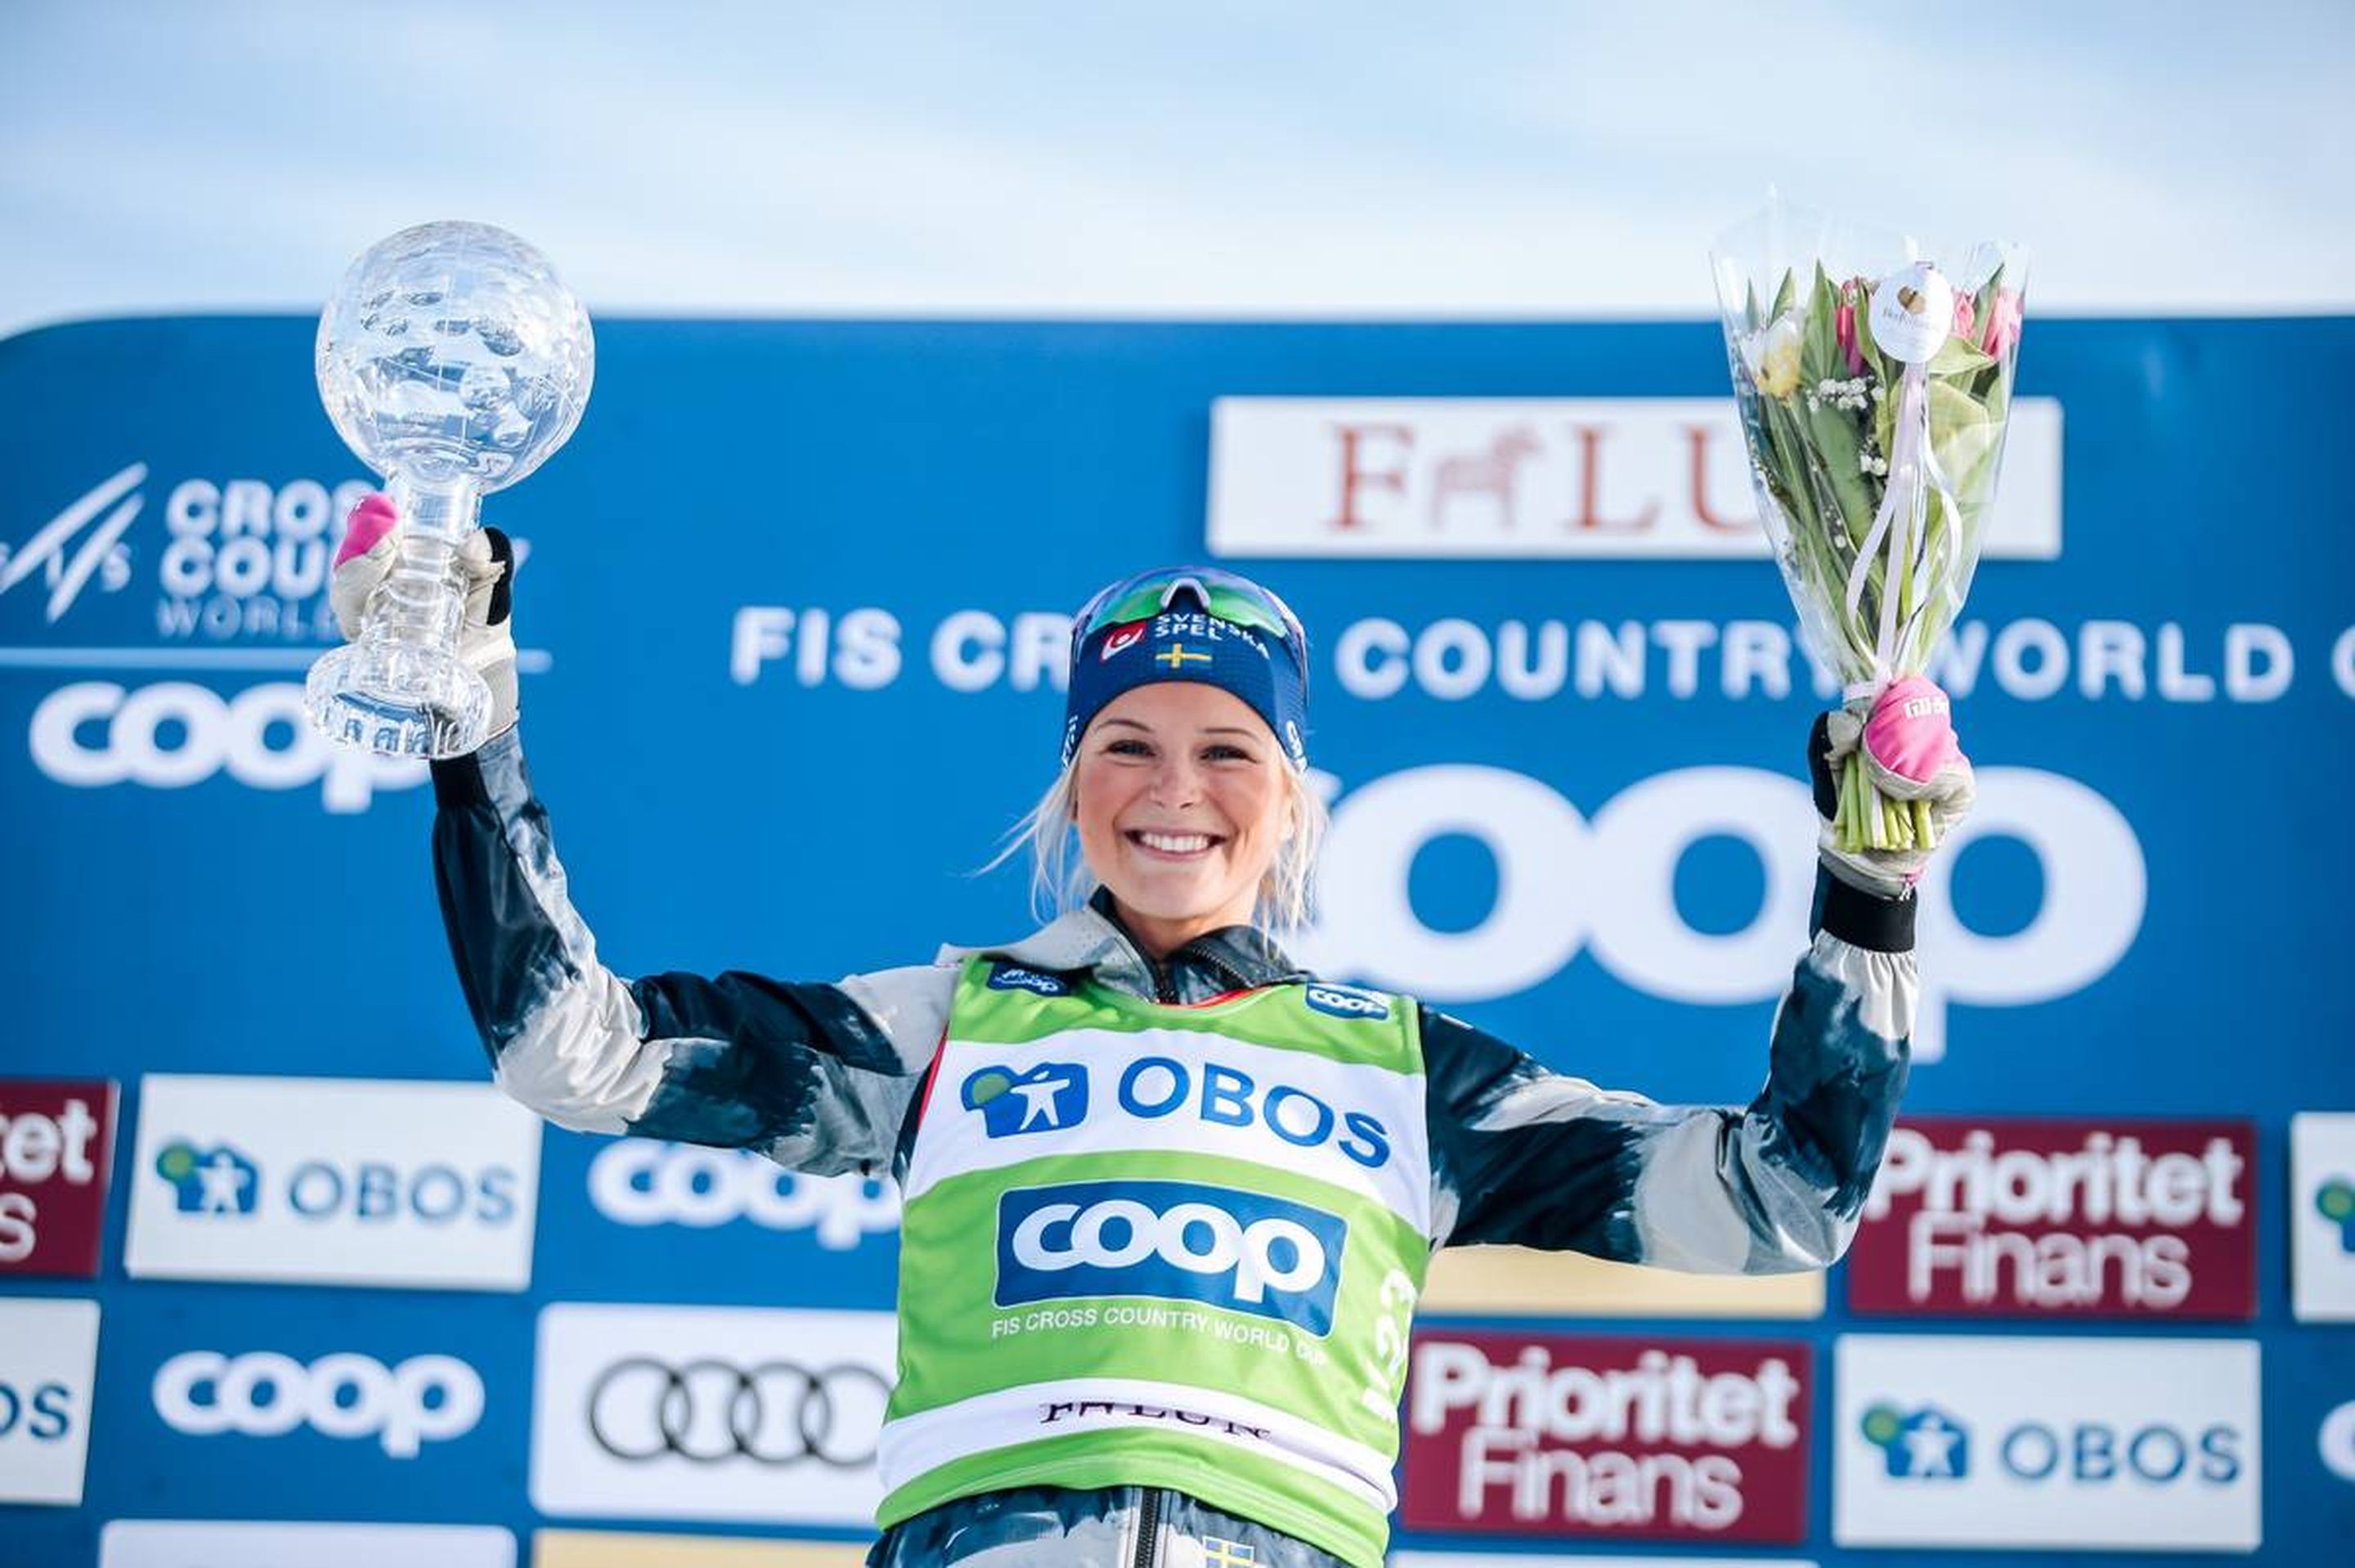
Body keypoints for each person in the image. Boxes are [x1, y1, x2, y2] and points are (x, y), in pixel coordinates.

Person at [331, 500, 1972, 1568]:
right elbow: (576, 1054)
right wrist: (471, 721)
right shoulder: (944, 1025)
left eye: (1225, 747)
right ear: (1069, 783)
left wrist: (1870, 886)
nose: (1173, 786)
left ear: (1295, 797)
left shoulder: (1409, 1070)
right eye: (1126, 741)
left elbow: (1782, 1201)